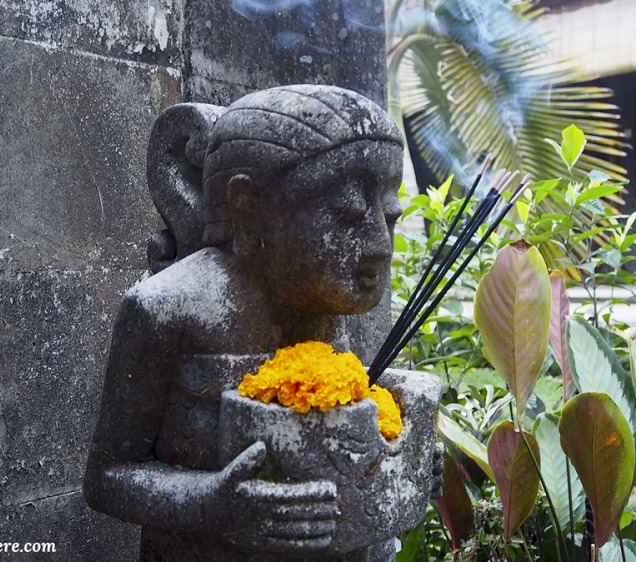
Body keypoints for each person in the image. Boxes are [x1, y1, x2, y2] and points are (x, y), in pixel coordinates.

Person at [83, 85, 407, 561]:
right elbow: (107, 477)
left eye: (390, 216)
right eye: (347, 215)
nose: (379, 244)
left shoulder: (321, 297)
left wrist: (399, 459)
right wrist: (211, 502)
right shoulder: (168, 307)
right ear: (248, 205)